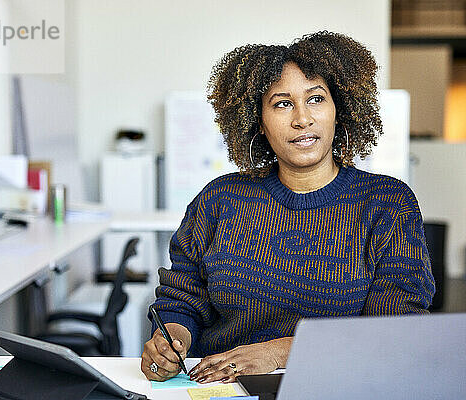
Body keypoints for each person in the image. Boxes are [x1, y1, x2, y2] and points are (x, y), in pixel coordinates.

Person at [141, 31, 435, 384]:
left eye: (316, 99)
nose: (302, 118)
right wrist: (171, 339)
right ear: (258, 121)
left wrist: (279, 351)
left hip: (337, 385)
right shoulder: (219, 199)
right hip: (217, 388)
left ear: (338, 112)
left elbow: (393, 333)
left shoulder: (387, 204)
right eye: (282, 103)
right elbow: (183, 298)